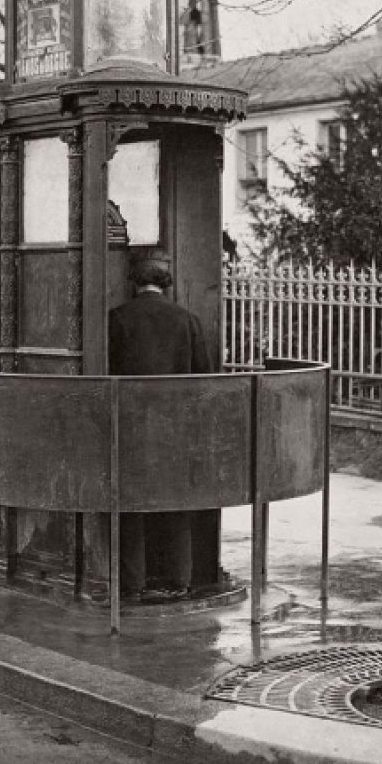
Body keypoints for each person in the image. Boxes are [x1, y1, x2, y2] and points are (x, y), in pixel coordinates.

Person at [108, 249, 211, 601]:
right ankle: (176, 578)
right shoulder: (187, 320)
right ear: (165, 280)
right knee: (175, 500)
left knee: (129, 504)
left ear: (133, 279)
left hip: (131, 427)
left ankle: (131, 582)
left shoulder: (117, 319)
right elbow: (204, 378)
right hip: (175, 429)